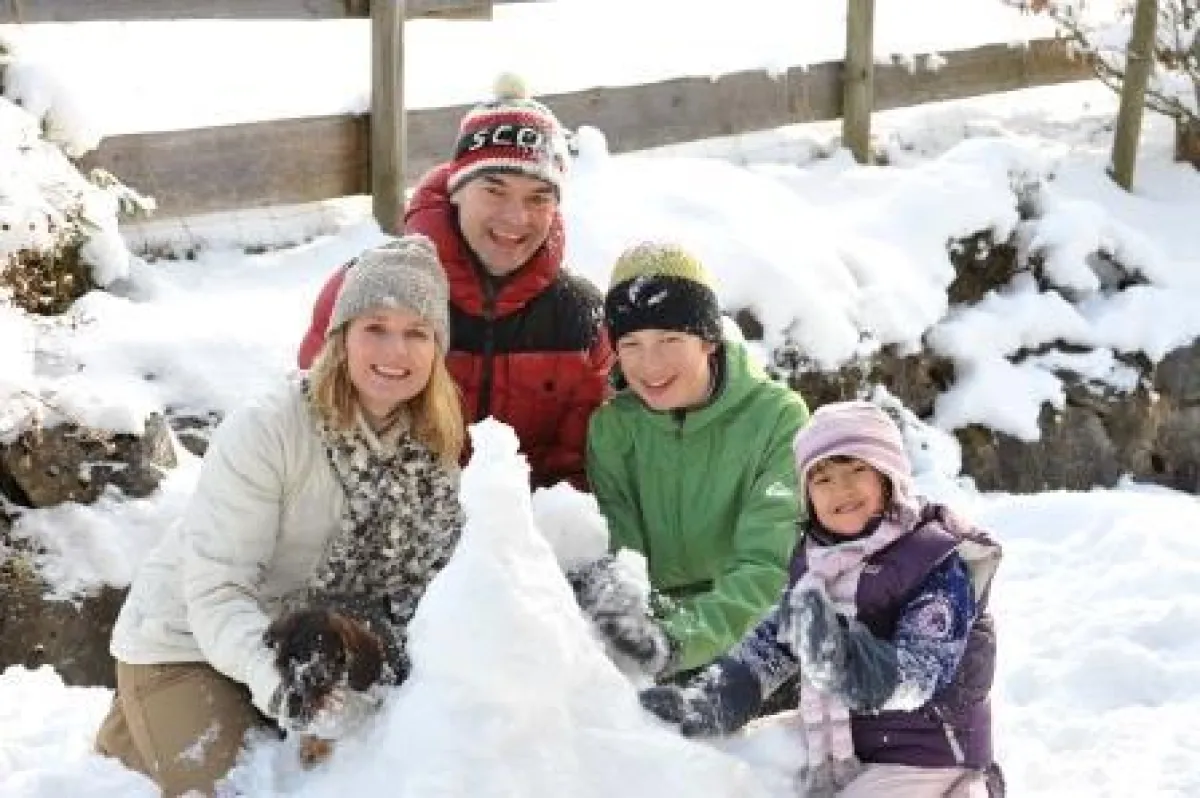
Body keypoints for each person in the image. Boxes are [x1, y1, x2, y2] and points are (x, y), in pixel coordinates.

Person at [94, 236, 467, 796]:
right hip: (190, 642)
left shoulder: (433, 447)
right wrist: (289, 692)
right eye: (376, 328)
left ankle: (144, 732)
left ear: (436, 349)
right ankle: (153, 708)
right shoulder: (268, 429)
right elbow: (217, 593)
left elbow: (433, 587)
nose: (396, 352)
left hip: (317, 648)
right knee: (245, 788)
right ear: (342, 338)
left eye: (417, 333)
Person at [638, 401, 1004, 798]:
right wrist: (709, 701)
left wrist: (840, 655)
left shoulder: (934, 564)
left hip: (926, 755)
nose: (840, 489)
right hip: (841, 740)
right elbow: (768, 650)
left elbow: (918, 674)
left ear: (890, 477)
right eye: (822, 479)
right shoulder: (819, 567)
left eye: (856, 470)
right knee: (731, 767)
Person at [298, 75, 612, 490]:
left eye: (538, 197)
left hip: (516, 538)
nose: (516, 218)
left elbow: (581, 471)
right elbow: (314, 426)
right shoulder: (367, 289)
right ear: (457, 190)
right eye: (494, 190)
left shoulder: (580, 317)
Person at [574, 242, 810, 680]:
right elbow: (623, 554)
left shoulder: (777, 418)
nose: (650, 365)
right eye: (632, 343)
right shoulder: (613, 429)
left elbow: (767, 563)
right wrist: (643, 632)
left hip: (757, 639)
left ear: (707, 340)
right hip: (657, 641)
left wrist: (681, 639)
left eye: (670, 340)